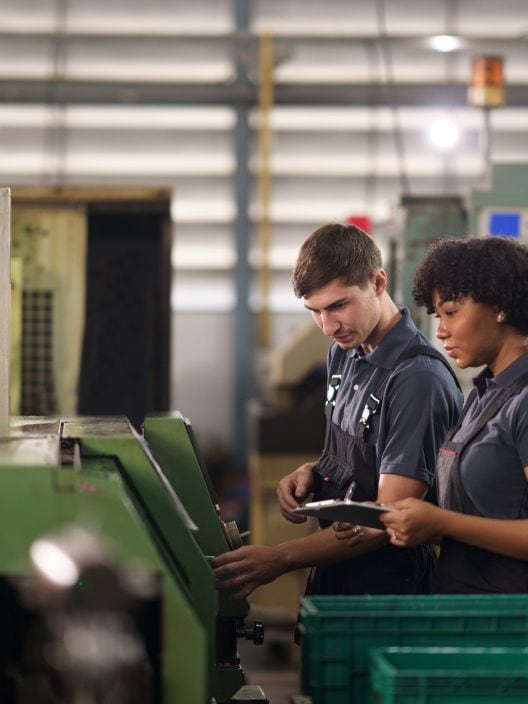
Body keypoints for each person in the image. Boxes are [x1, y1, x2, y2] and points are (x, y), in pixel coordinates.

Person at [212, 223, 462, 599]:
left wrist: (280, 558)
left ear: (378, 282)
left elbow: (389, 516)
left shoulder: (418, 380)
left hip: (389, 587)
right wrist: (312, 472)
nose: (328, 326)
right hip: (336, 569)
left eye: (338, 306)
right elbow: (355, 454)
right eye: (315, 311)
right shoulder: (344, 353)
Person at [369, 235, 528, 593]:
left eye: (452, 312)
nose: (440, 331)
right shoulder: (484, 394)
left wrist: (444, 523)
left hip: (511, 624)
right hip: (464, 612)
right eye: (438, 315)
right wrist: (412, 521)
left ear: (500, 306)